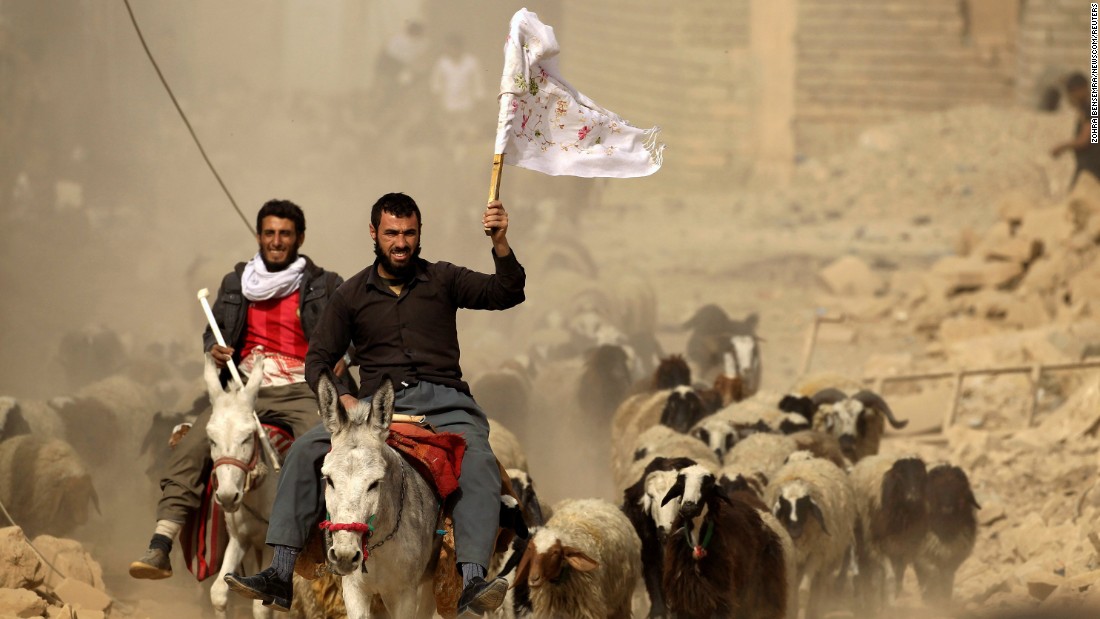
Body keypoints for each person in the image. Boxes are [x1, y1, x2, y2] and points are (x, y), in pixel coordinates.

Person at [224, 193, 525, 616]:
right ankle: (280, 570)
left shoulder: (444, 279)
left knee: (478, 461)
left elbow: (506, 291)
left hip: (447, 405)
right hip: (376, 408)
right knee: (307, 450)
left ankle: (473, 578)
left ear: (419, 234)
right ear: (374, 234)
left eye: (408, 233)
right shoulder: (350, 295)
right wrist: (344, 395)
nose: (400, 242)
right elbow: (318, 359)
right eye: (391, 234)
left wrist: (500, 242)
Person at [129, 199, 346, 580]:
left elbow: (355, 327)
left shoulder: (326, 285)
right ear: (259, 236)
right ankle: (161, 543)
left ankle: (325, 541)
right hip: (245, 387)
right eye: (269, 233)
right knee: (195, 442)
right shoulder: (236, 283)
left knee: (325, 449)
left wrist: (346, 353)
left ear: (300, 238)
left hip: (301, 386)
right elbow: (211, 333)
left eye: (284, 234)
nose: (276, 241)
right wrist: (212, 350)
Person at [1051, 71, 1100, 189]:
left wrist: (1062, 147)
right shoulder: (1088, 109)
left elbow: (1085, 140)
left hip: (1091, 167)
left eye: (1072, 93)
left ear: (1081, 90)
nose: (1070, 97)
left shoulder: (1091, 109)